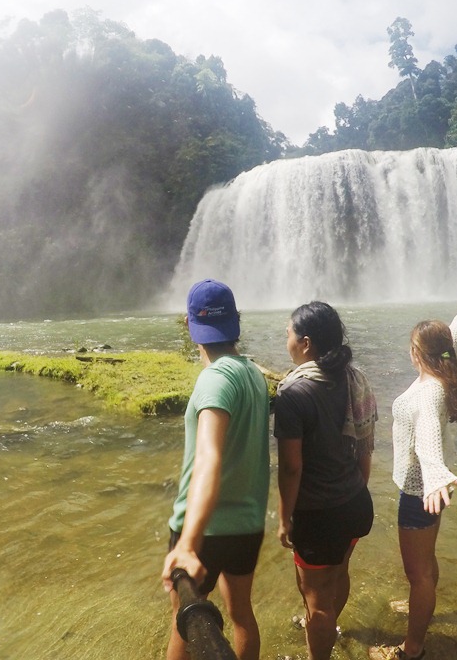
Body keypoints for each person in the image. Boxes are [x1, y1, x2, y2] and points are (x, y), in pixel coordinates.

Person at [161, 279, 271, 660]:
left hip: (202, 528)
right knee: (241, 613)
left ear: (191, 327)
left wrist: (188, 542)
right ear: (235, 322)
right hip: (247, 524)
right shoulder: (254, 374)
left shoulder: (214, 379)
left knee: (185, 619)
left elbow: (209, 458)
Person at [369, 304, 457, 660]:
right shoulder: (437, 370)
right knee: (425, 563)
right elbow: (449, 343)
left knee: (417, 573)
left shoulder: (429, 390)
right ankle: (419, 602)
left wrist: (434, 476)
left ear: (417, 353)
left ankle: (411, 650)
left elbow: (427, 438)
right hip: (432, 487)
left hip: (422, 490)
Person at [274, 301, 378, 660]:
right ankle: (329, 627)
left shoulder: (293, 394)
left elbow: (290, 468)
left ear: (305, 343)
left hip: (317, 516)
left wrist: (284, 517)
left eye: (286, 334)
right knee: (339, 572)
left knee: (316, 601)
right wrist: (355, 491)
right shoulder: (354, 378)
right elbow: (365, 450)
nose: (284, 340)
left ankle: (320, 643)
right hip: (355, 505)